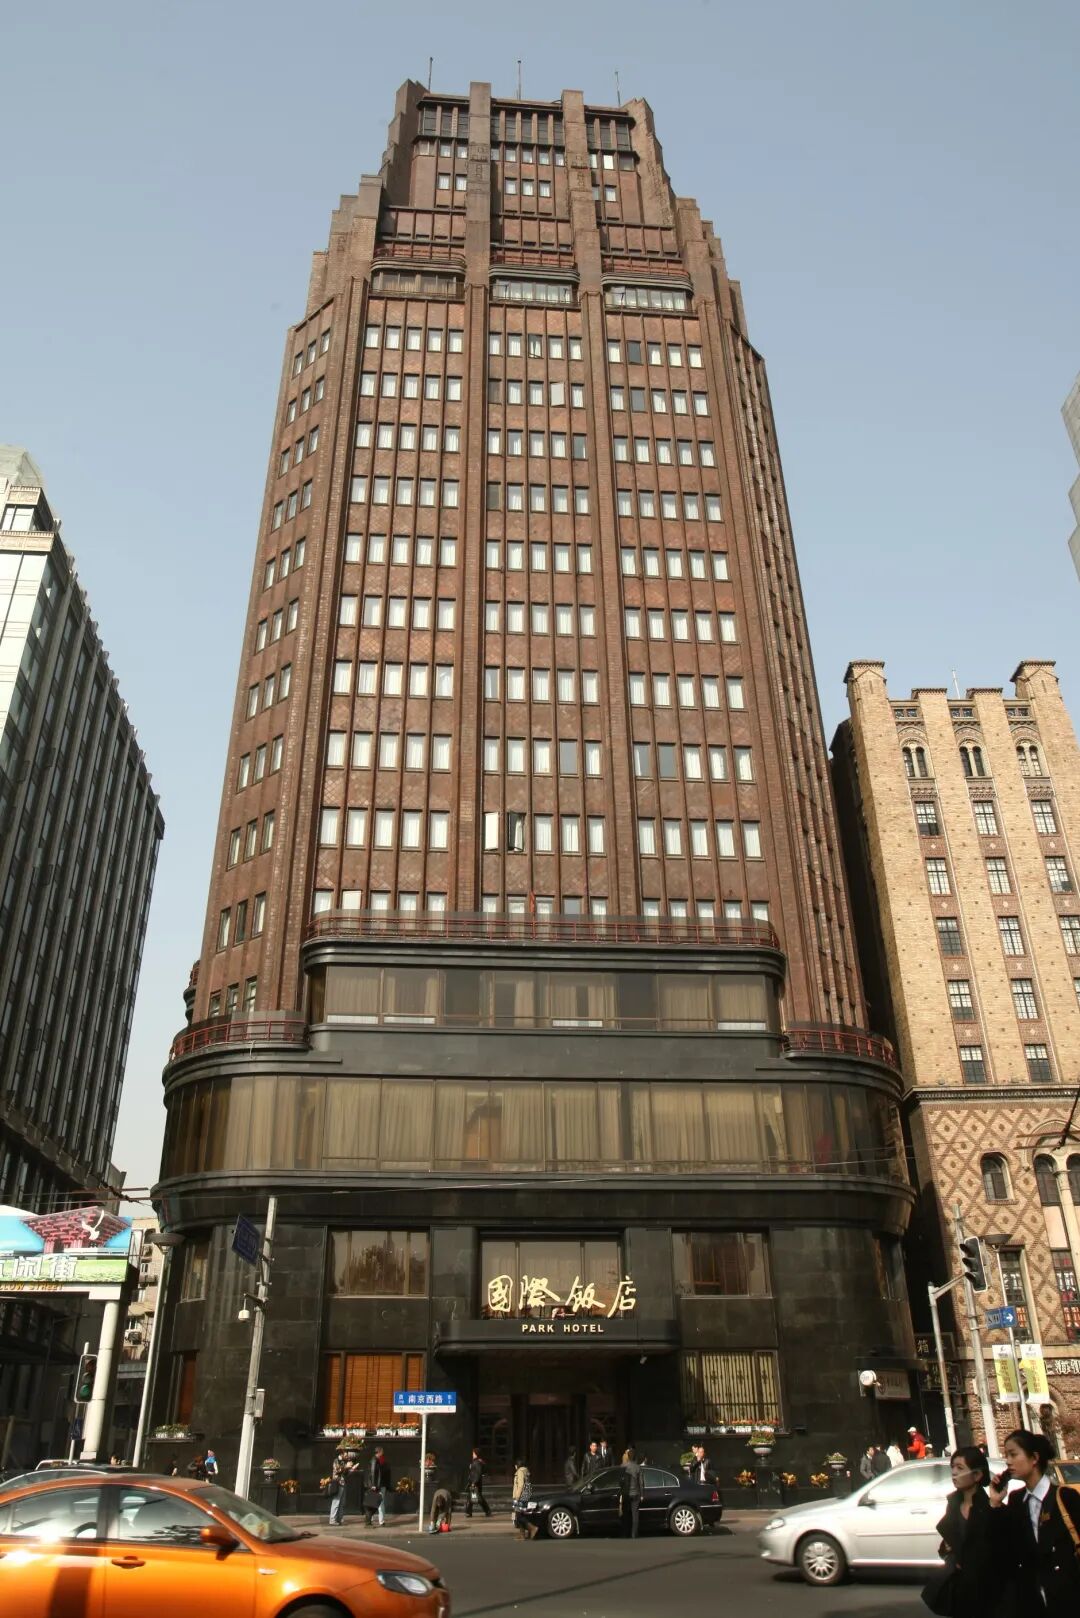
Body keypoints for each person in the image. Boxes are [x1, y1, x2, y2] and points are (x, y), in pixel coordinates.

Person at [989, 1427, 1080, 1617]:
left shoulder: (1065, 1497)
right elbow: (1005, 1548)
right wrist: (995, 1503)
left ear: (1034, 1458)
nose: (1008, 1461)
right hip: (1032, 1600)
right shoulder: (1016, 1500)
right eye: (1006, 1455)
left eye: (1013, 1454)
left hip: (1068, 1599)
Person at [923, 1446, 998, 1617]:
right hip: (960, 1588)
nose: (954, 1473)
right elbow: (948, 1544)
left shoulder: (989, 1507)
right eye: (952, 1467)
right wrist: (947, 1548)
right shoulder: (953, 1504)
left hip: (985, 1589)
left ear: (977, 1475)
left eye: (960, 1468)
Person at [364, 1447, 391, 1527]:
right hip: (376, 1485)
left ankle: (371, 1520)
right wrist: (373, 1485)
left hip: (377, 1485)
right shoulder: (375, 1460)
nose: (383, 1453)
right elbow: (373, 1473)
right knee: (377, 1502)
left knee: (373, 1502)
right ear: (379, 1452)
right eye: (382, 1451)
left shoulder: (376, 1460)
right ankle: (378, 1521)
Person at [621, 1446, 644, 1538]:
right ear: (635, 1457)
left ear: (628, 1456)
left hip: (626, 1493)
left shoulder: (623, 1466)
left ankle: (625, 1533)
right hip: (636, 1493)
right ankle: (634, 1533)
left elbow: (620, 1481)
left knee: (626, 1514)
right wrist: (642, 1495)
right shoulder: (638, 1467)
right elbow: (641, 1482)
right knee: (635, 1514)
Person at [328, 1453, 354, 1528]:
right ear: (341, 1454)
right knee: (336, 1502)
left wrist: (351, 1469)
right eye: (346, 1454)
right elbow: (337, 1470)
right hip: (338, 1483)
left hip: (343, 1483)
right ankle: (332, 1520)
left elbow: (345, 1473)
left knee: (342, 1503)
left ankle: (340, 1519)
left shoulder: (343, 1461)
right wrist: (346, 1467)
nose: (347, 1456)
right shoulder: (336, 1460)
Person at [465, 1448, 491, 1518]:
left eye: (473, 1453)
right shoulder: (477, 1462)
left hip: (475, 1482)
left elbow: (478, 1473)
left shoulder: (477, 1463)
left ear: (476, 1454)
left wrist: (474, 1482)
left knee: (478, 1498)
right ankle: (469, 1512)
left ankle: (487, 1511)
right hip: (474, 1482)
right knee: (471, 1497)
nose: (472, 1455)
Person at [511, 1458, 532, 1539]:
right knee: (521, 1515)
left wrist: (517, 1497)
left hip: (520, 1497)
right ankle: (522, 1534)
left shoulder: (520, 1472)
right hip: (526, 1496)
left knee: (518, 1515)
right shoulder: (526, 1471)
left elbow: (520, 1485)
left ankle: (532, 1528)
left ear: (517, 1465)